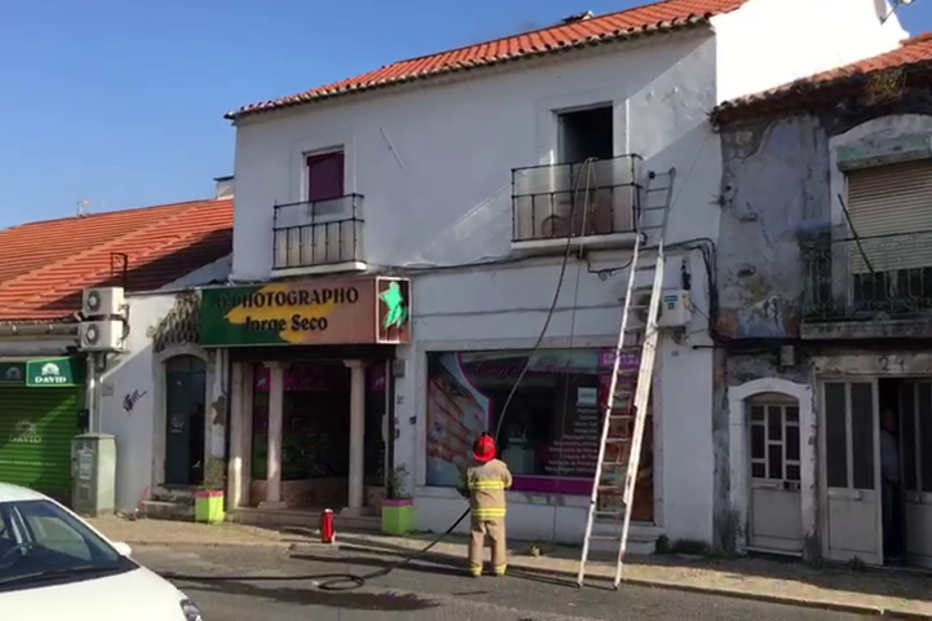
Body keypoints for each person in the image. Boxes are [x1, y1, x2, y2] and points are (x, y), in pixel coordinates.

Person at [456, 432, 513, 578]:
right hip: (497, 511)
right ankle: (499, 568)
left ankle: (475, 568)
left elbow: (464, 485)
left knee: (476, 537)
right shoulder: (500, 467)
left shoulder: (471, 468)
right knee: (497, 537)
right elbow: (508, 482)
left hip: (478, 510)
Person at [880, 406, 902, 562]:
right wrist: (888, 475)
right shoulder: (880, 437)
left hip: (896, 482)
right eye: (888, 419)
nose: (892, 422)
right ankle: (885, 551)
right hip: (885, 482)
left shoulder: (895, 438)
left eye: (893, 419)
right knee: (887, 516)